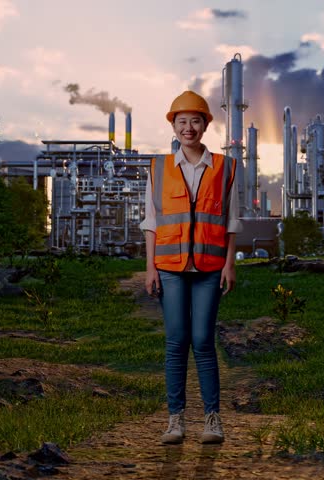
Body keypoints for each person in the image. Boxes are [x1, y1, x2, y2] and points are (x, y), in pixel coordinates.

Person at [140, 90, 242, 445]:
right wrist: (150, 268)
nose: (189, 127)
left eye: (195, 121)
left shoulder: (225, 168)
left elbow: (230, 220)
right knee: (175, 341)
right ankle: (175, 420)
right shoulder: (159, 167)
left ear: (205, 125)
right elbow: (152, 221)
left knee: (202, 341)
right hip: (169, 265)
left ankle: (213, 419)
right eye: (181, 121)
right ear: (173, 125)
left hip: (210, 266)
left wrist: (230, 264)